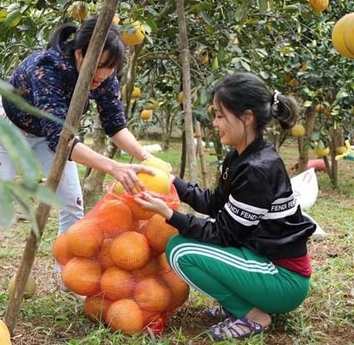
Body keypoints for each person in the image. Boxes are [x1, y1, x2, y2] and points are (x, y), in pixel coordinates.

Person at [0, 15, 164, 315]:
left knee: (73, 202)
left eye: (110, 69)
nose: (104, 75)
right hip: (10, 126)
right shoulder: (47, 69)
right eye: (99, 67)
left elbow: (115, 125)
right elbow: (63, 142)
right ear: (80, 52)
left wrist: (144, 158)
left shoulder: (104, 77)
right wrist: (113, 167)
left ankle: (69, 277)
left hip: (51, 135)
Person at [134, 72, 316, 342]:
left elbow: (224, 234)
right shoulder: (242, 156)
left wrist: (169, 215)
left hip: (283, 279)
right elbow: (215, 203)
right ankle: (241, 304)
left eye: (221, 115)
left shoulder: (257, 168)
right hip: (265, 263)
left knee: (180, 250)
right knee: (182, 243)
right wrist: (173, 182)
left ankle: (253, 315)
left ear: (247, 117)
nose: (215, 123)